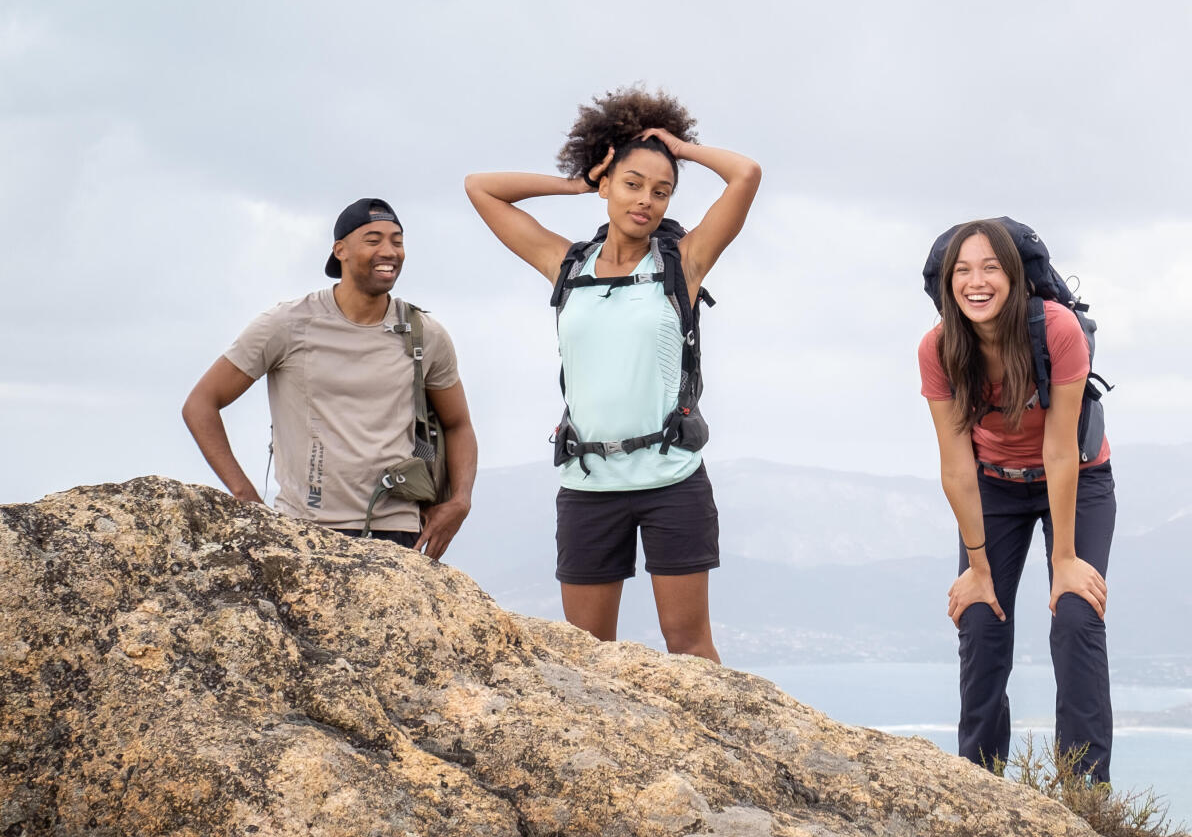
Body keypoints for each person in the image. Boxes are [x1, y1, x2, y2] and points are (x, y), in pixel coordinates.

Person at [464, 88, 759, 663]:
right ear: (607, 185)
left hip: (672, 481)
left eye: (661, 190)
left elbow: (745, 175)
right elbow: (481, 187)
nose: (646, 200)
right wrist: (578, 182)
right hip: (588, 485)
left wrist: (682, 148)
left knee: (689, 647)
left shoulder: (684, 264)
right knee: (587, 658)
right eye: (631, 183)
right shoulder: (566, 265)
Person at [919, 219, 1115, 782]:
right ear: (945, 285)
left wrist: (1065, 563)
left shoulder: (1057, 330)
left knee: (1077, 616)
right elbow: (955, 465)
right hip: (992, 484)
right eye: (962, 271)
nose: (975, 282)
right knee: (979, 620)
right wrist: (978, 569)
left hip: (1076, 478)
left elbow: (1059, 452)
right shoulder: (938, 347)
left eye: (990, 268)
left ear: (1015, 278)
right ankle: (979, 785)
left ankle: (1085, 793)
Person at [182, 198, 478, 556]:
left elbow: (458, 424)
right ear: (341, 250)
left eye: (397, 241)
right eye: (373, 239)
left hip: (397, 531)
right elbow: (200, 405)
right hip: (306, 531)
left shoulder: (423, 334)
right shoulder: (288, 324)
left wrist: (460, 500)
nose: (389, 251)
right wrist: (246, 498)